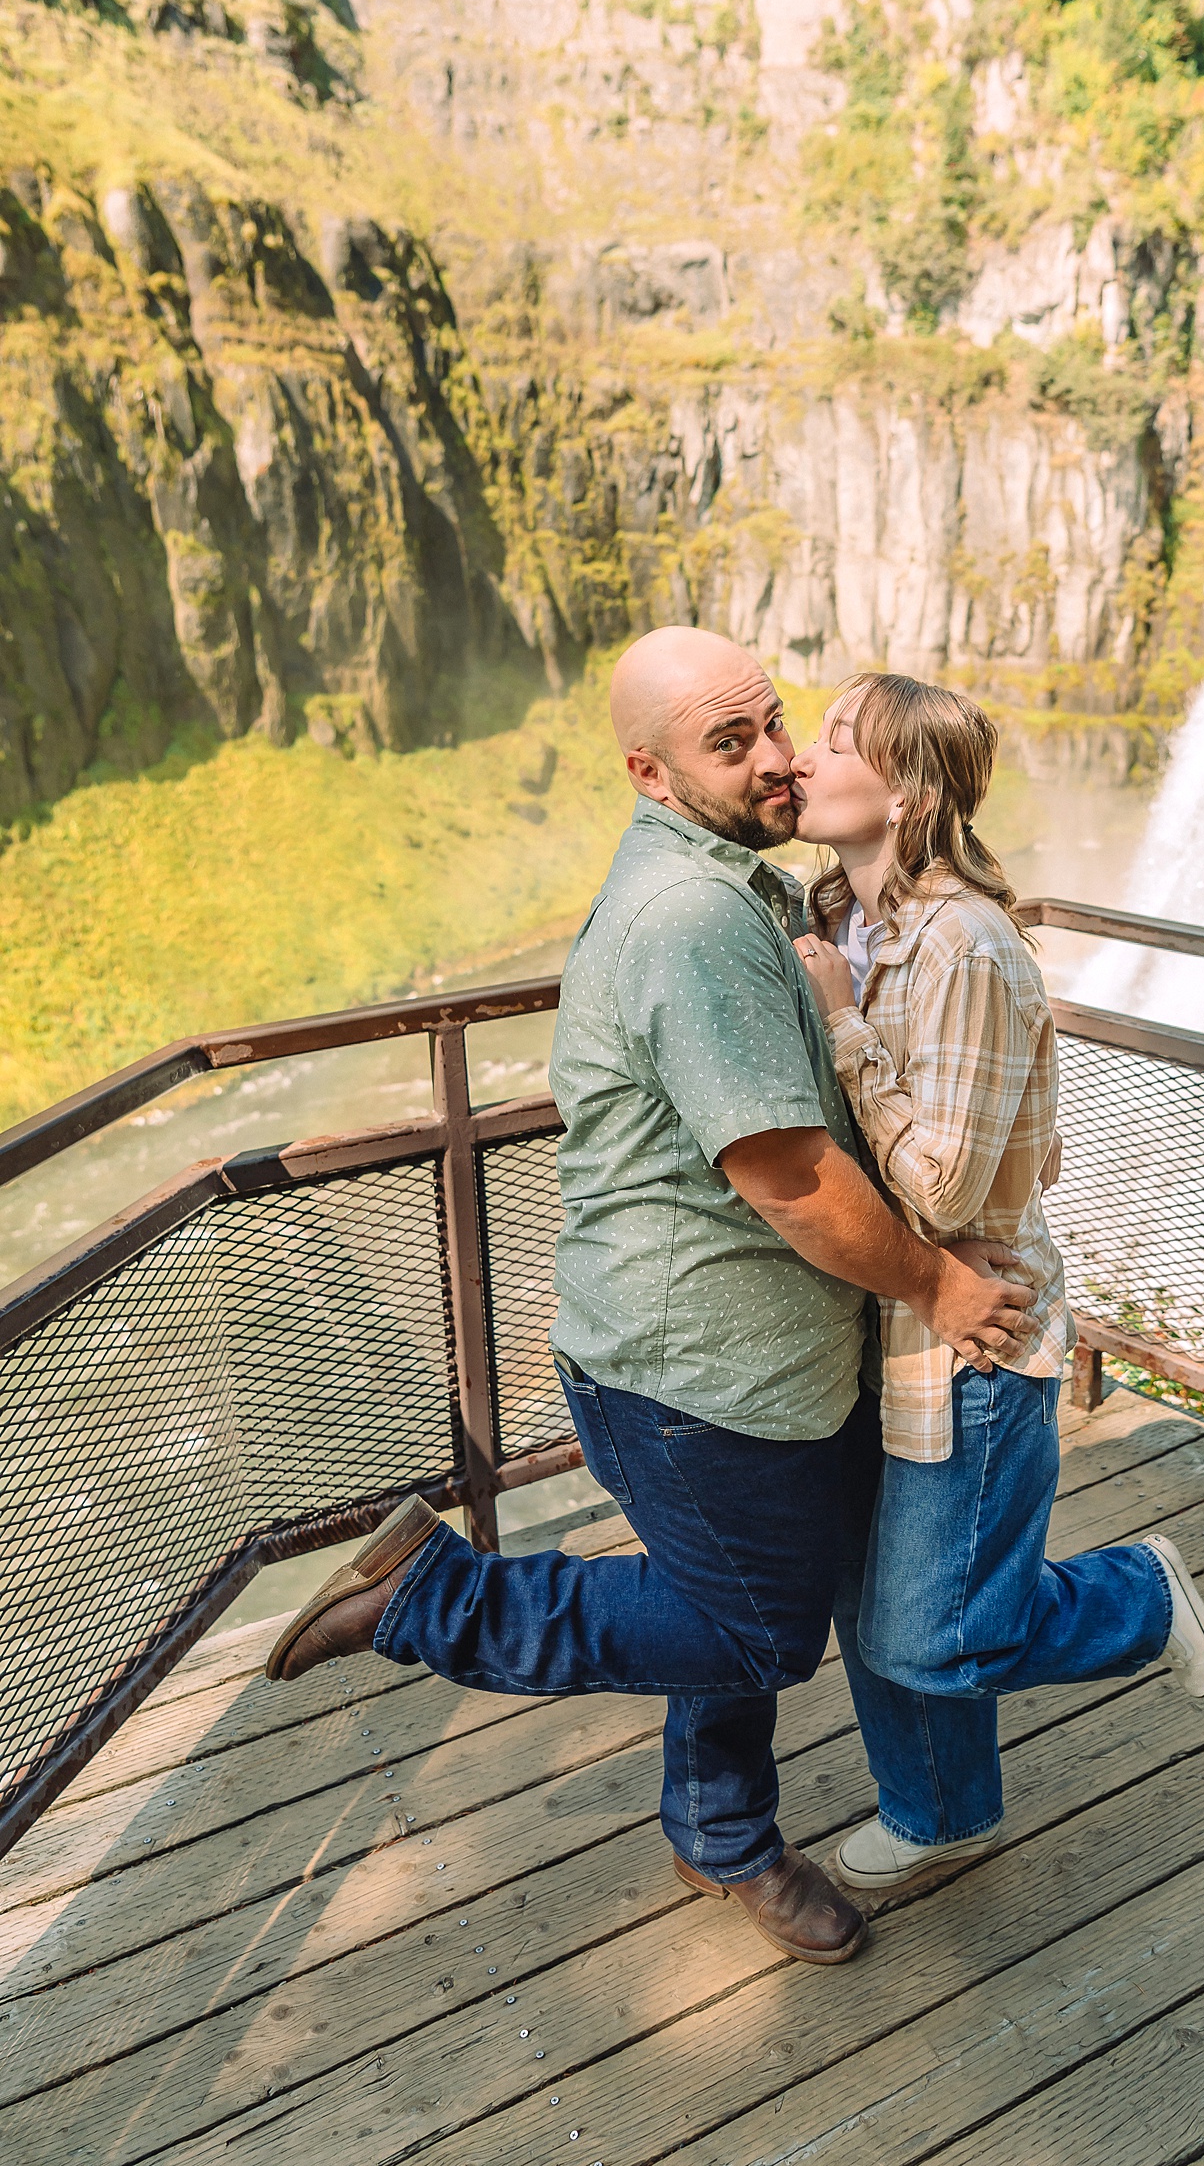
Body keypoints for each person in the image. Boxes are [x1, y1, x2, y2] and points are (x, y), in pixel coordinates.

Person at [263, 628, 1035, 1968]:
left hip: (758, 1362)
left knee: (734, 1591)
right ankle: (428, 1598)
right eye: (731, 746)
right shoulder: (693, 919)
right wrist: (939, 1281)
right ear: (653, 771)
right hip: (697, 1375)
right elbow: (788, 1173)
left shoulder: (748, 882)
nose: (778, 757)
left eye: (776, 724)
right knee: (756, 1622)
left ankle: (722, 1830)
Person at [788, 672, 1204, 1894]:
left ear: (908, 794)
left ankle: (1135, 1593)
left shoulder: (966, 948)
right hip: (873, 1324)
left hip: (972, 1340)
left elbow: (938, 1185)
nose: (804, 759)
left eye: (836, 742)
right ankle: (941, 1809)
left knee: (929, 1626)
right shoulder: (841, 910)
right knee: (871, 1600)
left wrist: (839, 1024)